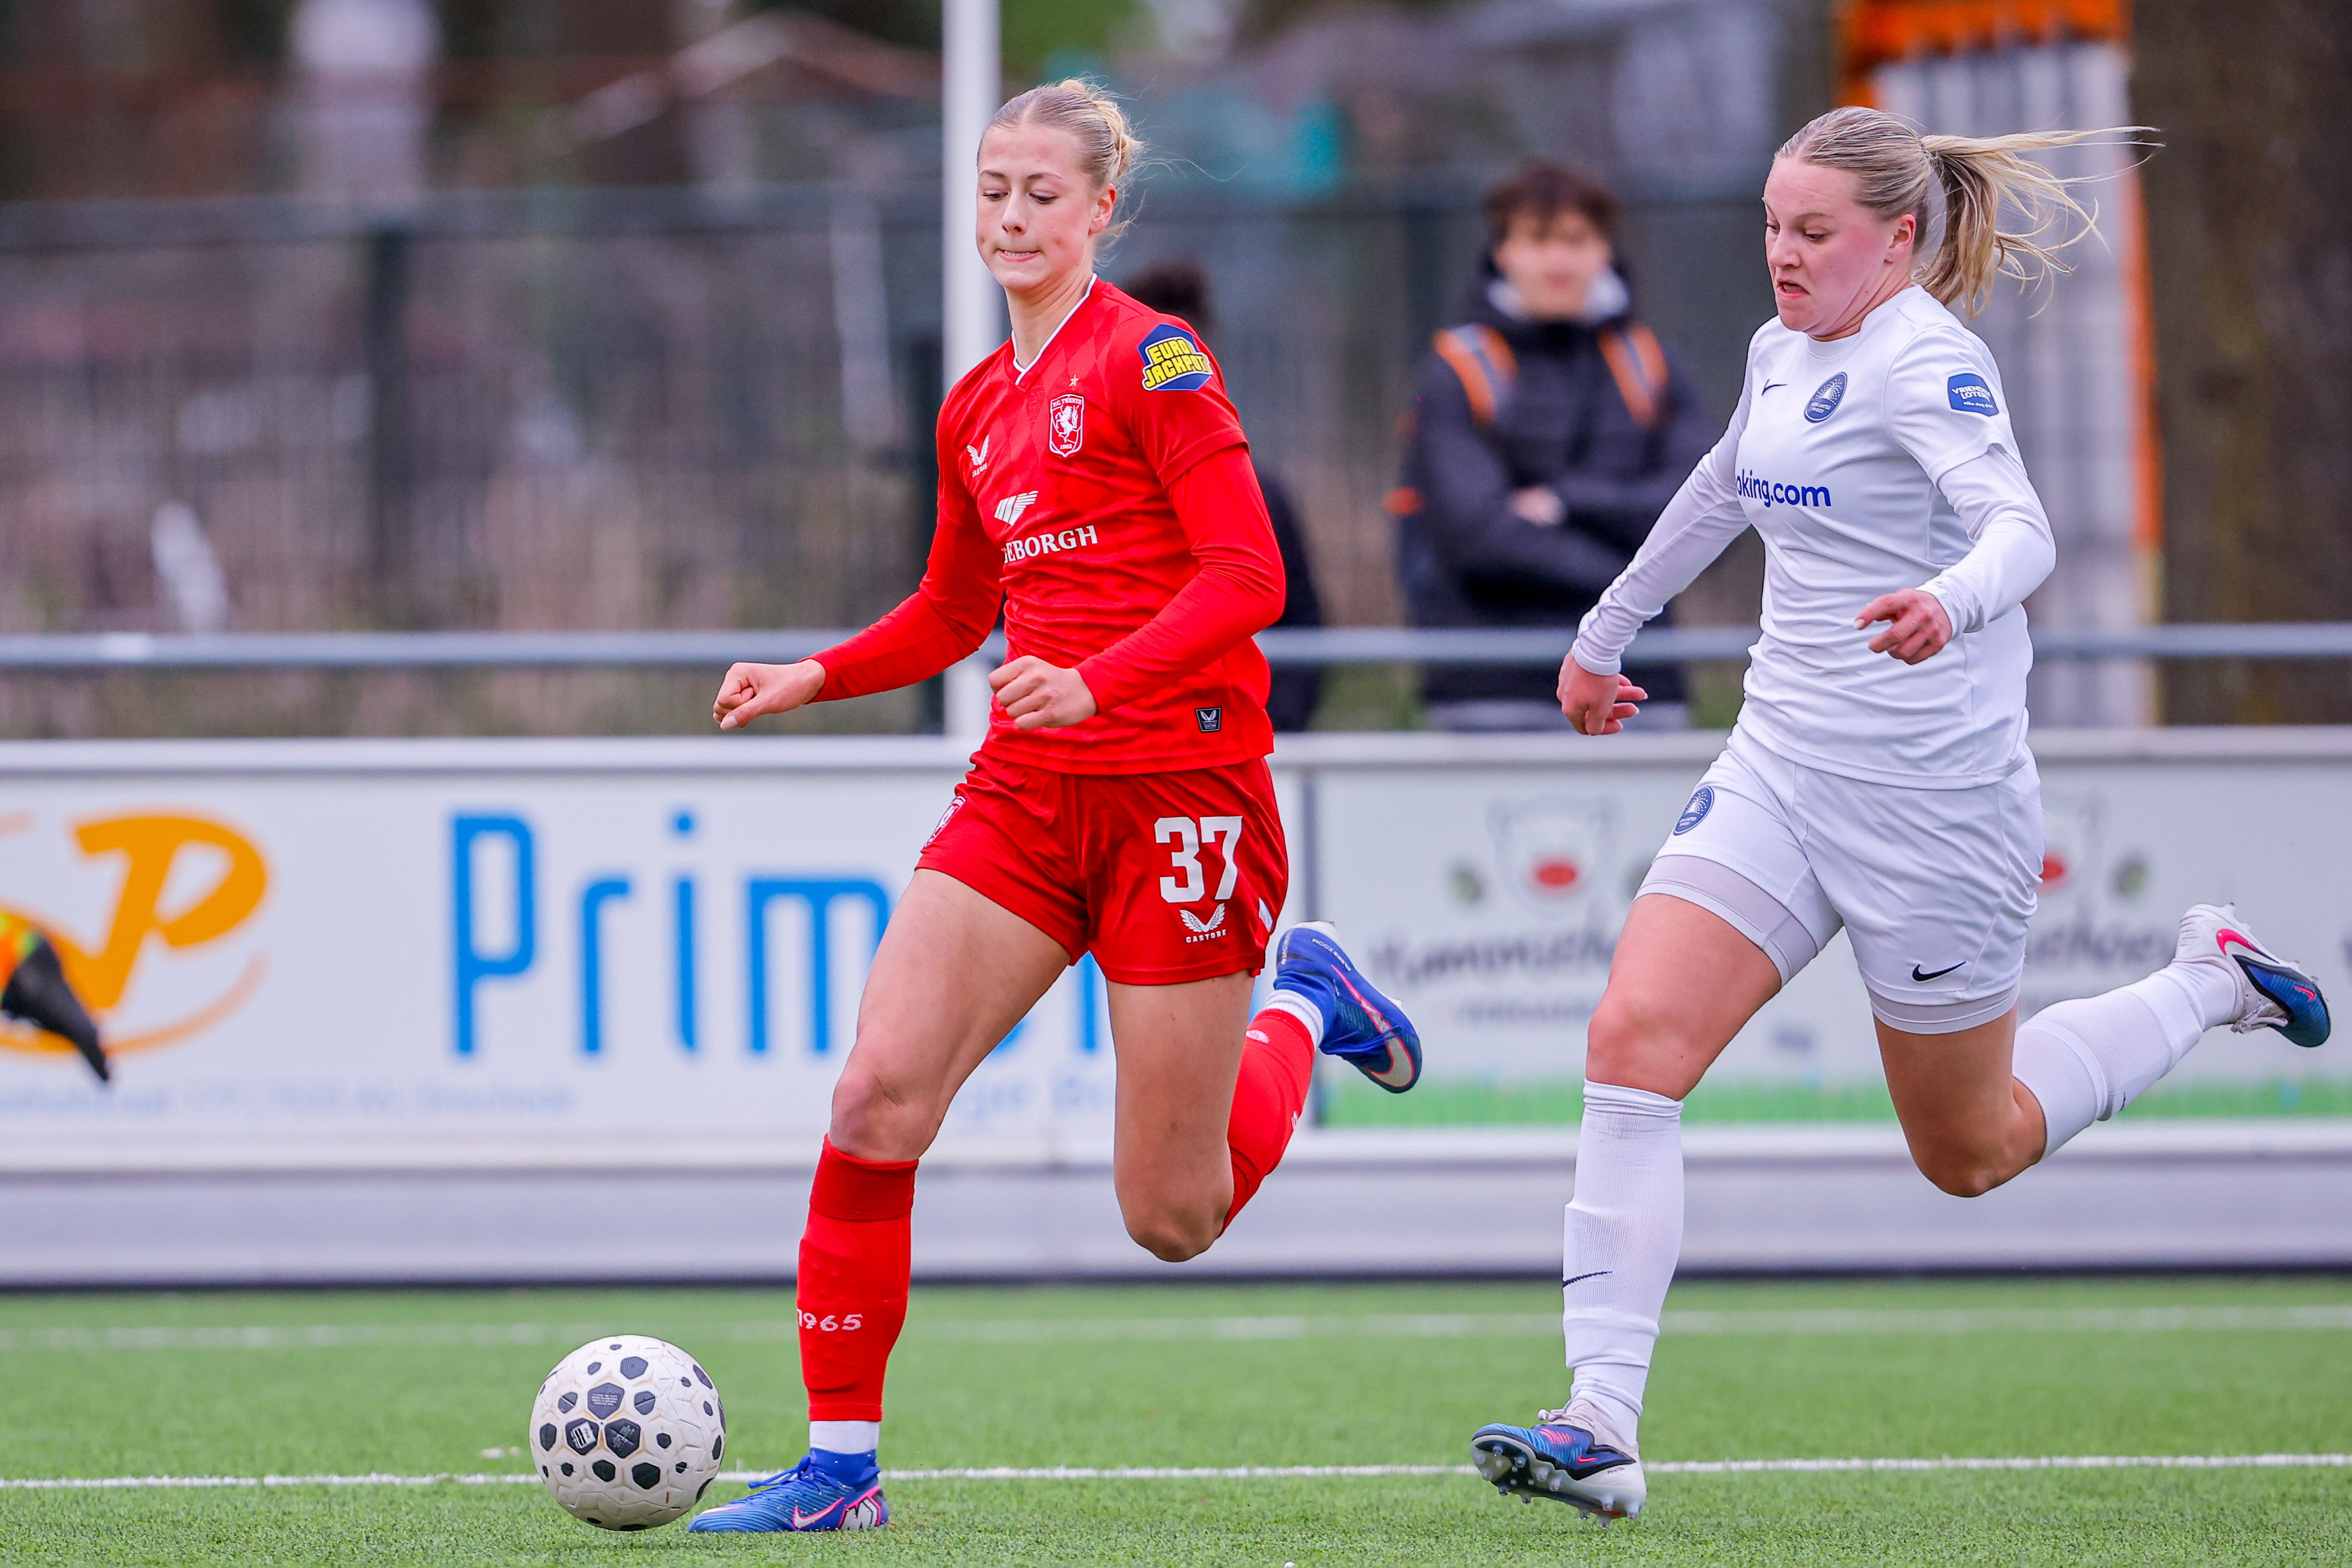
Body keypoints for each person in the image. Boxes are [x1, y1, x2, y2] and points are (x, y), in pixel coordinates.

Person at [1468, 106, 2329, 1523]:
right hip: (1778, 767)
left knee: (1968, 1150)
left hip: (1932, 806)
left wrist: (1949, 601)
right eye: (1769, 224)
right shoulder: (1779, 347)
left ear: (1899, 238)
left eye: (1813, 231)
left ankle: (2205, 980)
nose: (1781, 253)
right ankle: (1599, 1421)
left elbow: (2020, 531)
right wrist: (1603, 631)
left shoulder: (1928, 361)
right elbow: (1721, 486)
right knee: (1630, 1043)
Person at [687, 80, 1423, 1535]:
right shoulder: (975, 404)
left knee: (1172, 1216)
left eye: (1041, 193)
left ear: (1101, 208)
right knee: (874, 1093)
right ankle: (838, 1470)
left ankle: (1303, 1004)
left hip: (1179, 796)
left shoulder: (1154, 359)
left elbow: (1249, 578)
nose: (1011, 216)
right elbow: (952, 610)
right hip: (1027, 797)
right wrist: (811, 673)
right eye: (992, 190)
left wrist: (1095, 679)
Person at [1395, 162, 1713, 731]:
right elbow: (1477, 534)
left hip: (1639, 686)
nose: (1558, 261)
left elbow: (1705, 508)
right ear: (1502, 252)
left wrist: (1565, 501)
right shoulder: (1457, 368)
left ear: (1605, 249)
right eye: (1538, 240)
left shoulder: (1651, 362)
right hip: (1493, 690)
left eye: (1576, 240)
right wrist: (1640, 582)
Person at [1121, 258, 1326, 731]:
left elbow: (1301, 625)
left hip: (1223, 741)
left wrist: (1268, 722)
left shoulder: (1262, 495)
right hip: (1105, 742)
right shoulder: (1066, 492)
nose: (1175, 392)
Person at [0, 911, 107, 1082]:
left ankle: (98, 1056)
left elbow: (7, 948)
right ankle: (98, 1059)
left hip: (27, 963)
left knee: (73, 1023)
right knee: (63, 1025)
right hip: (17, 985)